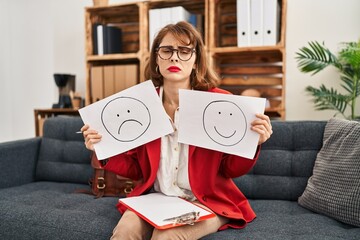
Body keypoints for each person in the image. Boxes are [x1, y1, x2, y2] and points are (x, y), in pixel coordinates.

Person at [81, 21, 273, 240]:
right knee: (124, 232)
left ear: (196, 59)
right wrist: (101, 148)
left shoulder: (218, 103)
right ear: (156, 57)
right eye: (167, 50)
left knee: (167, 237)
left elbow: (230, 169)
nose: (174, 57)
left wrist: (253, 143)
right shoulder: (141, 105)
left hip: (206, 202)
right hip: (156, 199)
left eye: (184, 51)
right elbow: (136, 170)